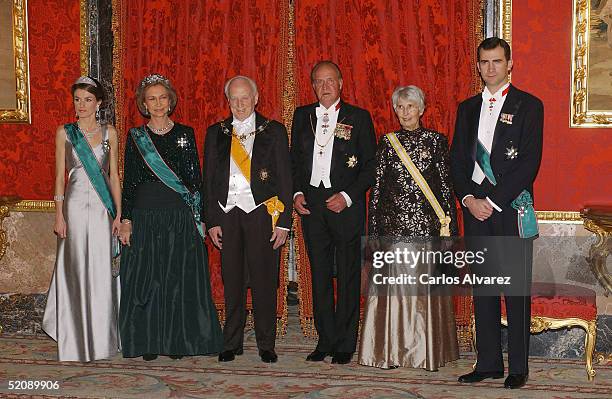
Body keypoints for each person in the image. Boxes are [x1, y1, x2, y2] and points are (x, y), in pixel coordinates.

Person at [450, 37, 543, 389]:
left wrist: (492, 201)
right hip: (475, 208)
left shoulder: (529, 106)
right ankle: (488, 361)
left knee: (514, 291)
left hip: (508, 207)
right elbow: (458, 162)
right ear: (478, 66)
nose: (491, 68)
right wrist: (469, 199)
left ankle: (518, 367)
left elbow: (528, 164)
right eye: (484, 62)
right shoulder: (466, 107)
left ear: (510, 64)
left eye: (497, 61)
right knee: (485, 289)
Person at [118, 74, 223, 360]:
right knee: (149, 280)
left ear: (170, 100)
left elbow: (194, 180)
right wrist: (126, 219)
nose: (158, 103)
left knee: (176, 281)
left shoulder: (185, 134)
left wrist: (199, 217)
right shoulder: (135, 137)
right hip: (146, 216)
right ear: (143, 103)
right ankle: (149, 342)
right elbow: (130, 181)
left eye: (162, 97)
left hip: (178, 217)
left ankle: (177, 341)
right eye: (151, 99)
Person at [358, 85, 459, 370]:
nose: (405, 113)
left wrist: (449, 233)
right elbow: (377, 190)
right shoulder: (387, 143)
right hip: (393, 229)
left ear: (422, 109)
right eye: (400, 107)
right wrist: (374, 233)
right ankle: (388, 351)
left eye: (410, 107)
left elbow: (444, 188)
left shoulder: (436, 141)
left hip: (426, 228)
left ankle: (425, 353)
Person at [291, 61, 377, 364]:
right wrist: (297, 193)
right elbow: (294, 161)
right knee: (320, 274)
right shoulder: (302, 116)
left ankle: (344, 343)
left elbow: (370, 166)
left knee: (349, 275)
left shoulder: (359, 117)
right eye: (319, 81)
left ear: (341, 83)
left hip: (345, 205)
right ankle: (324, 340)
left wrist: (348, 196)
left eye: (330, 80)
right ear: (313, 85)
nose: (325, 86)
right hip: (312, 206)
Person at [203, 75, 292, 364]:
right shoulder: (215, 132)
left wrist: (284, 222)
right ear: (227, 101)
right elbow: (209, 180)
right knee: (233, 281)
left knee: (265, 282)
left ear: (256, 99)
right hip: (227, 214)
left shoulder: (274, 131)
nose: (239, 104)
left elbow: (286, 179)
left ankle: (266, 344)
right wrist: (212, 220)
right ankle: (232, 342)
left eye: (245, 98)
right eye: (234, 99)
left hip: (262, 214)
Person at [43, 76, 122, 362]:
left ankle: (102, 340)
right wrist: (58, 215)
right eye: (78, 99)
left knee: (101, 269)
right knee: (74, 269)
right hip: (74, 209)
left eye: (88, 100)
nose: (82, 105)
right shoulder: (64, 132)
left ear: (99, 103)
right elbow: (59, 178)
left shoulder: (109, 133)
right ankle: (74, 339)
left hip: (102, 210)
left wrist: (119, 214)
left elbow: (114, 176)